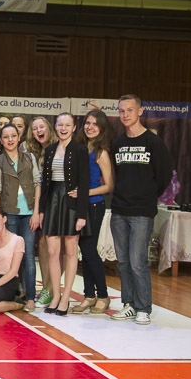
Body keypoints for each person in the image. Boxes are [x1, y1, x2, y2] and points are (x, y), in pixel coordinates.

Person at [109, 94, 172, 325]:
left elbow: (164, 175)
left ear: (140, 112)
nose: (125, 115)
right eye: (121, 111)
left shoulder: (153, 143)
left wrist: (148, 196)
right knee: (123, 262)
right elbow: (118, 174)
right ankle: (129, 304)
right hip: (119, 210)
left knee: (137, 261)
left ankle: (143, 307)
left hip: (142, 212)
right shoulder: (118, 143)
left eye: (129, 110)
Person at [39, 112, 89, 316]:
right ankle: (55, 295)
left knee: (70, 251)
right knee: (52, 251)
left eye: (67, 125)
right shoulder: (50, 150)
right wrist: (41, 210)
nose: (63, 128)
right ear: (55, 126)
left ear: (74, 127)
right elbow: (45, 182)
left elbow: (84, 182)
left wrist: (81, 214)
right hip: (52, 201)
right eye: (60, 125)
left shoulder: (80, 149)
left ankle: (66, 298)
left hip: (71, 203)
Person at [0, 124, 41, 312]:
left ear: (19, 137)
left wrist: (36, 212)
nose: (10, 140)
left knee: (28, 255)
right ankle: (12, 293)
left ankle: (30, 297)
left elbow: (37, 184)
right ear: (1, 140)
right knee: (11, 256)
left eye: (13, 136)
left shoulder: (30, 158)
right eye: (6, 137)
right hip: (9, 213)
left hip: (29, 214)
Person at [72, 109, 114, 314]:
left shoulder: (101, 152)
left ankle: (103, 296)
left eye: (95, 124)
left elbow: (109, 186)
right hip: (80, 205)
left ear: (102, 128)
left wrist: (84, 193)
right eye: (88, 123)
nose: (90, 127)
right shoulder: (80, 148)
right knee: (84, 251)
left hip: (95, 205)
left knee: (89, 250)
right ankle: (89, 295)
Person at [25, 116, 58, 308]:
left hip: (59, 200)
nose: (39, 131)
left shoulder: (60, 148)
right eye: (35, 128)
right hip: (42, 201)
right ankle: (47, 288)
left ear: (49, 128)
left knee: (60, 248)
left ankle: (51, 288)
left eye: (41, 127)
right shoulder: (33, 152)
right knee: (44, 244)